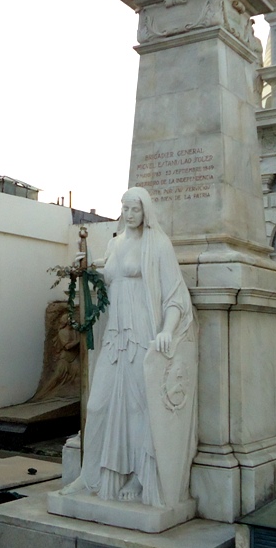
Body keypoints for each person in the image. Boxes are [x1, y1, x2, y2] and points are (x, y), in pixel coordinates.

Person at [60, 187, 197, 507]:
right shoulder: (115, 244)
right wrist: (86, 266)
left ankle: (139, 475)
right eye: (125, 208)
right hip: (116, 336)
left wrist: (167, 330)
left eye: (134, 208)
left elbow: (175, 295)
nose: (129, 213)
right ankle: (90, 476)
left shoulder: (158, 244)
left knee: (140, 408)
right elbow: (105, 278)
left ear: (145, 210)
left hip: (143, 335)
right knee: (97, 406)